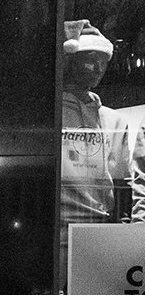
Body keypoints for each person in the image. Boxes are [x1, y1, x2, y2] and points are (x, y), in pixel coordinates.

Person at [60, 20, 143, 228]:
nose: (98, 68)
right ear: (70, 61)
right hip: (56, 225)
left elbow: (122, 182)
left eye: (104, 61)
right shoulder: (51, 115)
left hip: (100, 226)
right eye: (90, 59)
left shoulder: (114, 120)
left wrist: (123, 229)